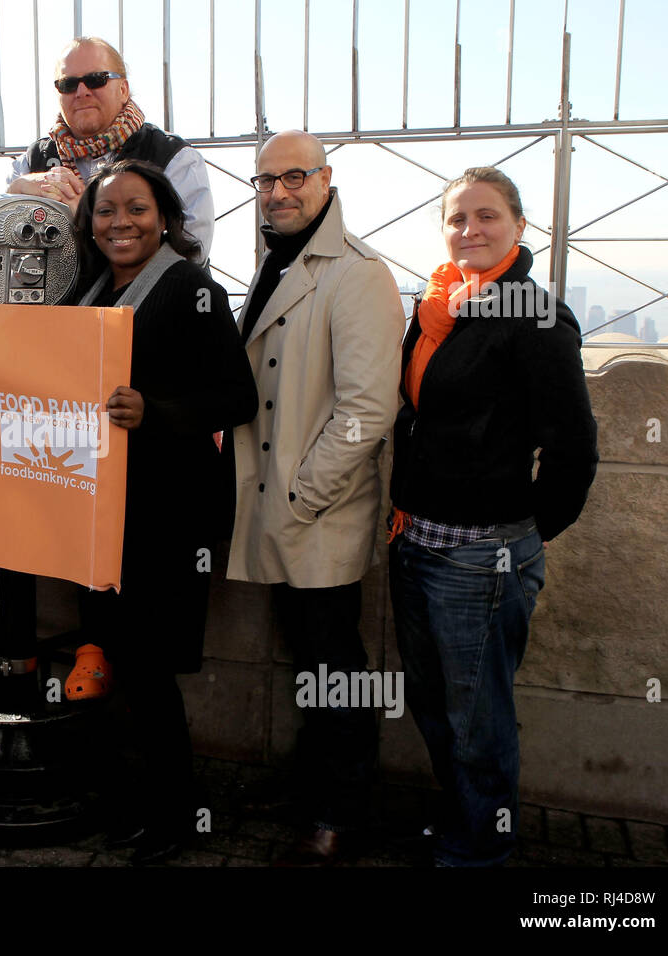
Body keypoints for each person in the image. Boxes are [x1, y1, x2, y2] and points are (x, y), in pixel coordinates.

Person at [388, 166, 597, 866]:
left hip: (482, 555)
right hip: (416, 539)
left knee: (478, 725)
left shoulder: (532, 315)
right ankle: (462, 829)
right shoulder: (441, 305)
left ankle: (481, 855)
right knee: (436, 709)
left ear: (518, 227)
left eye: (486, 217)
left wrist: (526, 530)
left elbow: (573, 443)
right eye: (456, 218)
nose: (469, 230)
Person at [226, 130, 404, 866]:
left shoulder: (358, 273)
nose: (278, 191)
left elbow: (366, 409)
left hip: (317, 511)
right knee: (308, 658)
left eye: (294, 176)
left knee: (336, 666)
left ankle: (342, 811)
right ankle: (313, 787)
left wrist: (300, 496)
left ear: (326, 179)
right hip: (281, 506)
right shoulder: (278, 259)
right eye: (265, 180)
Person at [72, 159, 257, 864]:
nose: (121, 222)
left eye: (137, 209)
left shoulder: (192, 289)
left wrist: (157, 412)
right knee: (111, 660)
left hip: (163, 519)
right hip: (100, 509)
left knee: (148, 672)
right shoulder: (89, 288)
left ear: (165, 216)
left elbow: (236, 398)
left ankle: (174, 815)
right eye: (106, 210)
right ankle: (132, 802)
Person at [8, 37, 215, 261]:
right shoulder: (31, 162)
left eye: (96, 79)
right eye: (68, 84)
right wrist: (14, 194)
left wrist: (86, 220)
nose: (81, 92)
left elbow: (191, 254)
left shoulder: (174, 157)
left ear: (124, 89)